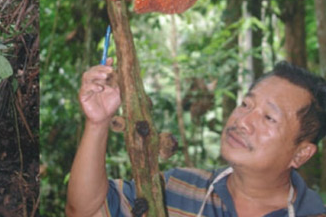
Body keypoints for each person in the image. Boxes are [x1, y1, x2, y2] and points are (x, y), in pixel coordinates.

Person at [66, 59, 326, 217]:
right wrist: (98, 123)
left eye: (269, 118)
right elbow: (87, 211)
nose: (242, 121)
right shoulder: (179, 189)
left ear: (301, 153)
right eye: (246, 104)